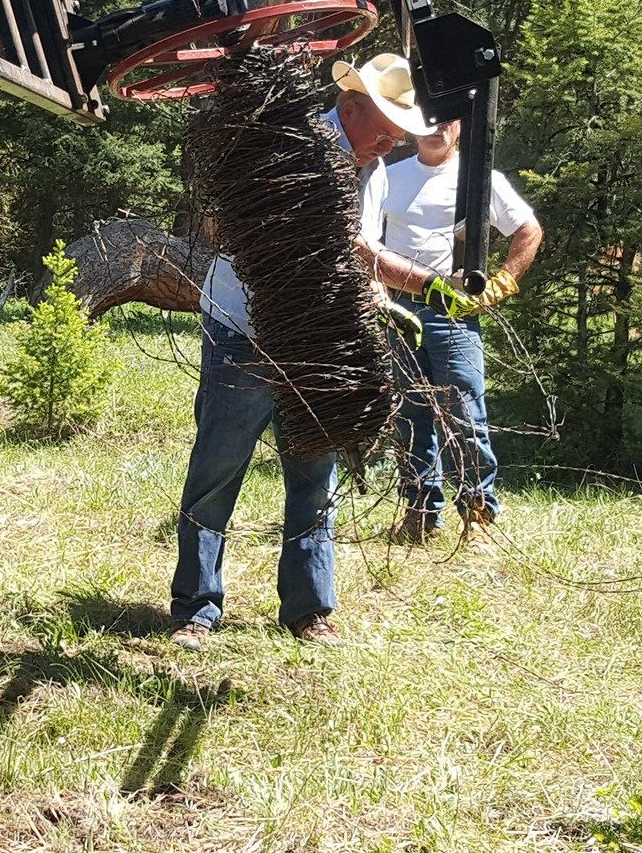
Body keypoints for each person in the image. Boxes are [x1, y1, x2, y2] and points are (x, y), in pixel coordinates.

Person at [170, 52, 478, 650]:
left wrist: (386, 303)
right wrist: (426, 285)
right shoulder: (288, 145)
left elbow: (359, 251)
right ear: (351, 105)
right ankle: (196, 607)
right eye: (384, 130)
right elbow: (321, 242)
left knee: (314, 469)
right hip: (245, 329)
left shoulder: (375, 168)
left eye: (398, 135)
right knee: (218, 466)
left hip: (319, 338)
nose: (389, 145)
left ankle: (309, 609)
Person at [378, 116, 541, 539]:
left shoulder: (481, 180)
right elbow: (364, 241)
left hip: (453, 312)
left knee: (464, 413)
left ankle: (479, 513)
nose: (435, 129)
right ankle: (420, 513)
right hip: (397, 308)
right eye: (426, 121)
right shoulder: (387, 176)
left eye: (445, 122)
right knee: (410, 414)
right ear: (412, 126)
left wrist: (503, 282)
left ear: (459, 128)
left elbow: (528, 229)